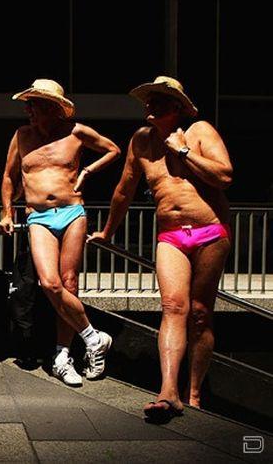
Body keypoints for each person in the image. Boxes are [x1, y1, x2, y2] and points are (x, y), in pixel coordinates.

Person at [89, 76, 232, 421]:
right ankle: (168, 391)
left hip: (210, 231)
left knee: (200, 313)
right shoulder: (140, 141)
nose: (150, 107)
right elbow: (123, 191)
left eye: (159, 101)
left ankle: (194, 393)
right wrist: (108, 232)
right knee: (172, 306)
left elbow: (224, 176)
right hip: (170, 236)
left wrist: (181, 150)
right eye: (148, 101)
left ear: (177, 108)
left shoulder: (199, 131)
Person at [0, 79, 120, 386]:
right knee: (49, 283)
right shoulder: (21, 136)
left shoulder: (76, 132)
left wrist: (88, 171)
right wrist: (6, 211)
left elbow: (113, 150)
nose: (28, 111)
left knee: (69, 282)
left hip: (72, 212)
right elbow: (9, 177)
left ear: (53, 109)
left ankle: (62, 355)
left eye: (34, 105)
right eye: (28, 105)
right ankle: (93, 337)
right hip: (38, 216)